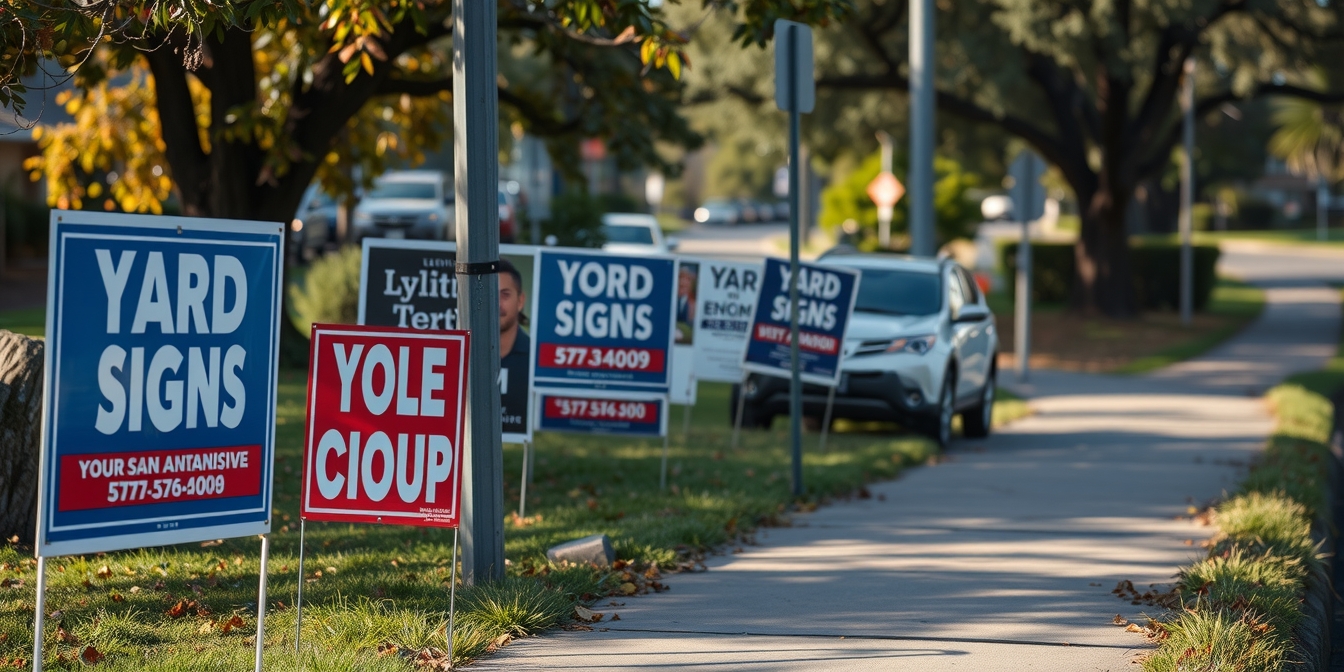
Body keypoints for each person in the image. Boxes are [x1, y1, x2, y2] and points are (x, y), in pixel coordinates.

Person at [498, 258, 530, 435]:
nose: (496, 303)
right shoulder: (462, 357)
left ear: (520, 300)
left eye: (505, 295)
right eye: (489, 294)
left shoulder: (535, 359)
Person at [675, 263, 697, 344]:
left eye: (686, 279)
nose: (682, 282)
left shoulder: (693, 303)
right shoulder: (668, 300)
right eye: (680, 278)